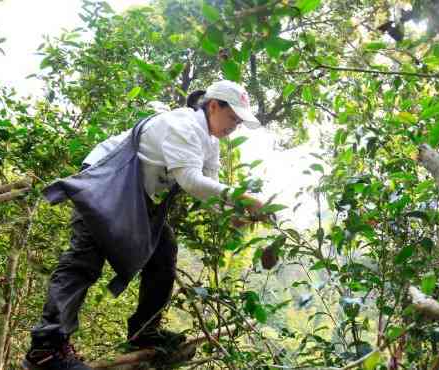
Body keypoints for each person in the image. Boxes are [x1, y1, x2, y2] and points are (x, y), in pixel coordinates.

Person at [22, 80, 268, 370]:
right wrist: (245, 198)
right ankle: (46, 350)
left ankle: (143, 333)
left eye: (239, 122)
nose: (234, 126)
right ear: (214, 106)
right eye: (233, 118)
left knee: (163, 251)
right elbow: (190, 180)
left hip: (136, 197)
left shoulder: (210, 141)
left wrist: (231, 214)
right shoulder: (184, 126)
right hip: (106, 180)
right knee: (84, 260)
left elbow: (208, 188)